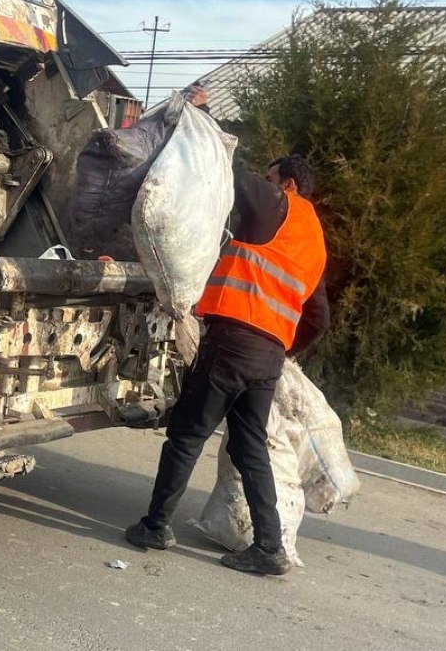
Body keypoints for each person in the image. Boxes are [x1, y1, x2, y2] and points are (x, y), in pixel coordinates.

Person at [125, 140, 330, 576]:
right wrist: (284, 346)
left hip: (234, 342)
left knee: (187, 433)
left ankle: (156, 525)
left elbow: (232, 172)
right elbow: (320, 317)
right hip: (267, 357)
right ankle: (270, 548)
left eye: (273, 179)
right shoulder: (314, 242)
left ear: (288, 184)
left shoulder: (281, 207)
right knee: (249, 446)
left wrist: (206, 130)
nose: (268, 185)